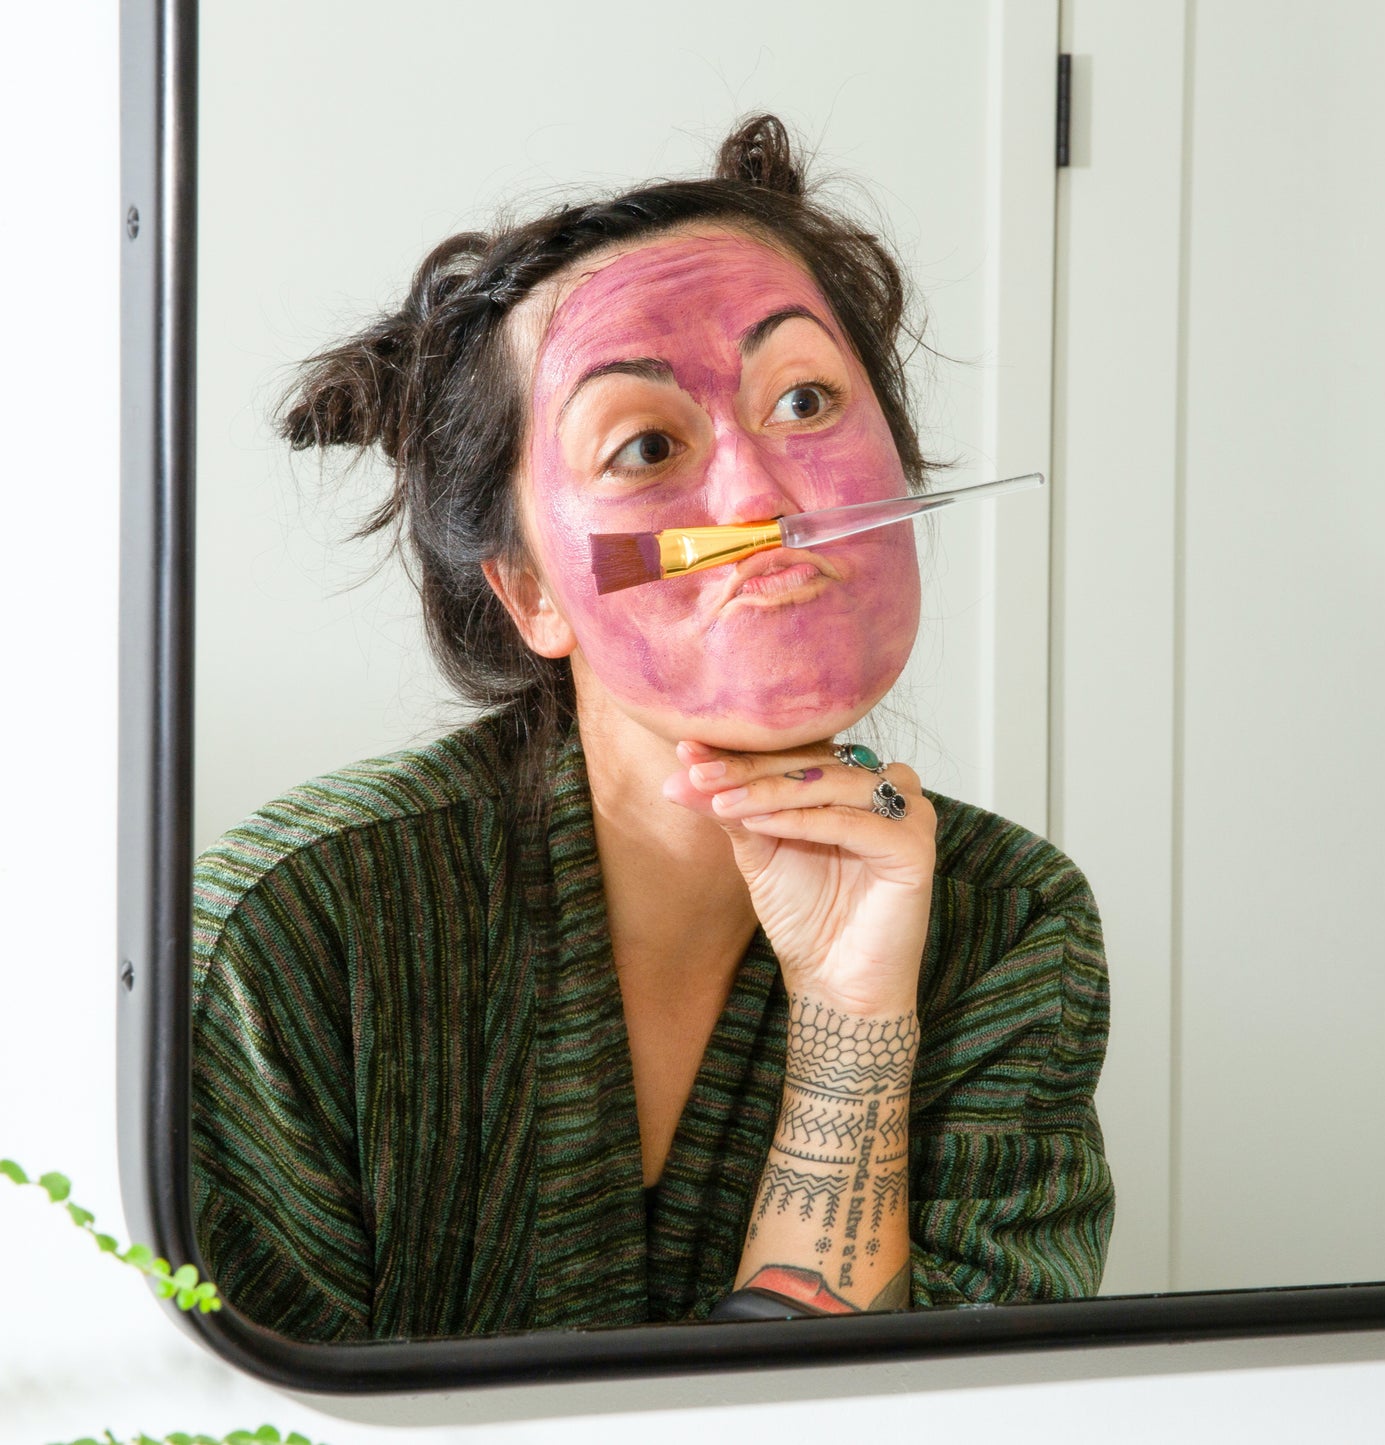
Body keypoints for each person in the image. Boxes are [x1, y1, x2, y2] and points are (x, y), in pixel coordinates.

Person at [190, 113, 1114, 1343]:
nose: (761, 499)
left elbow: (946, 1413)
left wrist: (852, 1015)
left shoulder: (1007, 920)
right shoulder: (291, 930)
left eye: (803, 399)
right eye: (643, 444)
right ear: (525, 590)